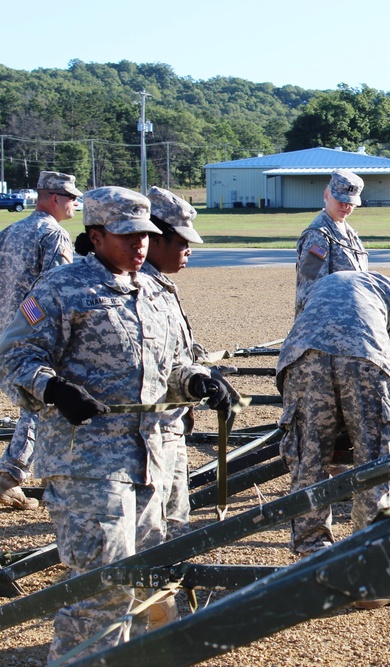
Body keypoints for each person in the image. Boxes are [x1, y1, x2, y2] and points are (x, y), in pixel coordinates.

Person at [0, 186, 230, 661]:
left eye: (145, 234)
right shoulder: (62, 288)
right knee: (100, 590)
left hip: (149, 461)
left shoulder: (153, 293)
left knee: (146, 580)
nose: (140, 244)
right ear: (97, 235)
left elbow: (171, 368)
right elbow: (15, 357)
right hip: (86, 463)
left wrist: (200, 383)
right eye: (127, 235)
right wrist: (53, 389)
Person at [277, 271, 390, 561]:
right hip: (368, 356)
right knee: (377, 458)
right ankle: (371, 557)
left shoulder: (321, 286)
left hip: (303, 358)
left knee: (308, 458)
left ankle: (312, 553)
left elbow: (301, 325)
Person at [0, 171, 81, 511]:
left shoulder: (10, 231)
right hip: (36, 332)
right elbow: (58, 289)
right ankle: (10, 477)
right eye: (71, 198)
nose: (75, 204)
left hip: (6, 330)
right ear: (53, 199)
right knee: (41, 402)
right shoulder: (55, 235)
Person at [141, 187, 213, 541]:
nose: (188, 251)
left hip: (169, 425)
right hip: (140, 437)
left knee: (173, 528)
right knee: (149, 537)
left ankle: (163, 596)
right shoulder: (134, 288)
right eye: (181, 242)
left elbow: (173, 358)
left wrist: (200, 379)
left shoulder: (160, 285)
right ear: (154, 239)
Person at [294, 169, 367, 317]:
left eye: (351, 203)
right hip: (327, 325)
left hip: (349, 317)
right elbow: (312, 290)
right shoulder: (318, 235)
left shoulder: (349, 232)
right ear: (327, 195)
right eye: (341, 201)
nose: (346, 207)